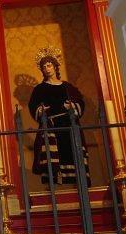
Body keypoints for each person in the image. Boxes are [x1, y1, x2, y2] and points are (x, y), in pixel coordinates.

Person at [28, 47, 90, 186]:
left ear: (55, 66)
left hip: (69, 126)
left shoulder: (67, 87)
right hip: (51, 127)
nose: (46, 69)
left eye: (49, 65)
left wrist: (72, 106)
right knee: (54, 160)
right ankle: (57, 186)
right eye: (43, 67)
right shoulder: (39, 89)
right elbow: (33, 106)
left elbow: (80, 101)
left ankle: (77, 185)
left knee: (73, 155)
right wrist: (41, 110)